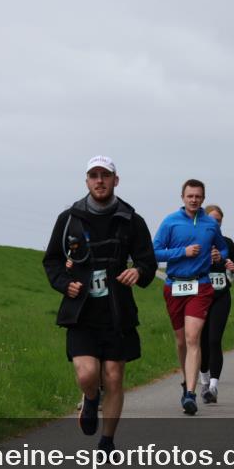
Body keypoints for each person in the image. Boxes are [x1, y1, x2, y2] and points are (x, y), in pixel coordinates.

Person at [43, 156, 157, 452]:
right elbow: (52, 260)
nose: (99, 181)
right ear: (87, 181)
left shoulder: (131, 219)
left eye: (105, 175)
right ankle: (91, 398)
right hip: (80, 311)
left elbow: (148, 260)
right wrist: (63, 284)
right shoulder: (69, 218)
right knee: (87, 374)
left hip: (117, 312)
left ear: (115, 180)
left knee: (115, 376)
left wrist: (139, 271)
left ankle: (107, 441)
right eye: (93, 175)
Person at [153, 179, 228, 415]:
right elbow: (154, 252)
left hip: (201, 285)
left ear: (203, 198)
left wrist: (218, 254)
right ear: (183, 197)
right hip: (175, 285)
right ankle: (186, 379)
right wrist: (182, 252)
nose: (194, 200)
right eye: (190, 196)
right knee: (181, 341)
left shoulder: (210, 224)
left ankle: (191, 394)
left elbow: (223, 248)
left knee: (193, 337)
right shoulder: (170, 222)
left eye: (198, 196)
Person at [197, 205, 234, 404]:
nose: (215, 224)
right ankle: (204, 379)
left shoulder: (228, 243)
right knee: (202, 342)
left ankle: (213, 387)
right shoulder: (197, 240)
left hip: (221, 297)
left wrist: (229, 265)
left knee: (214, 340)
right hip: (200, 297)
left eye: (219, 221)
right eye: (212, 220)